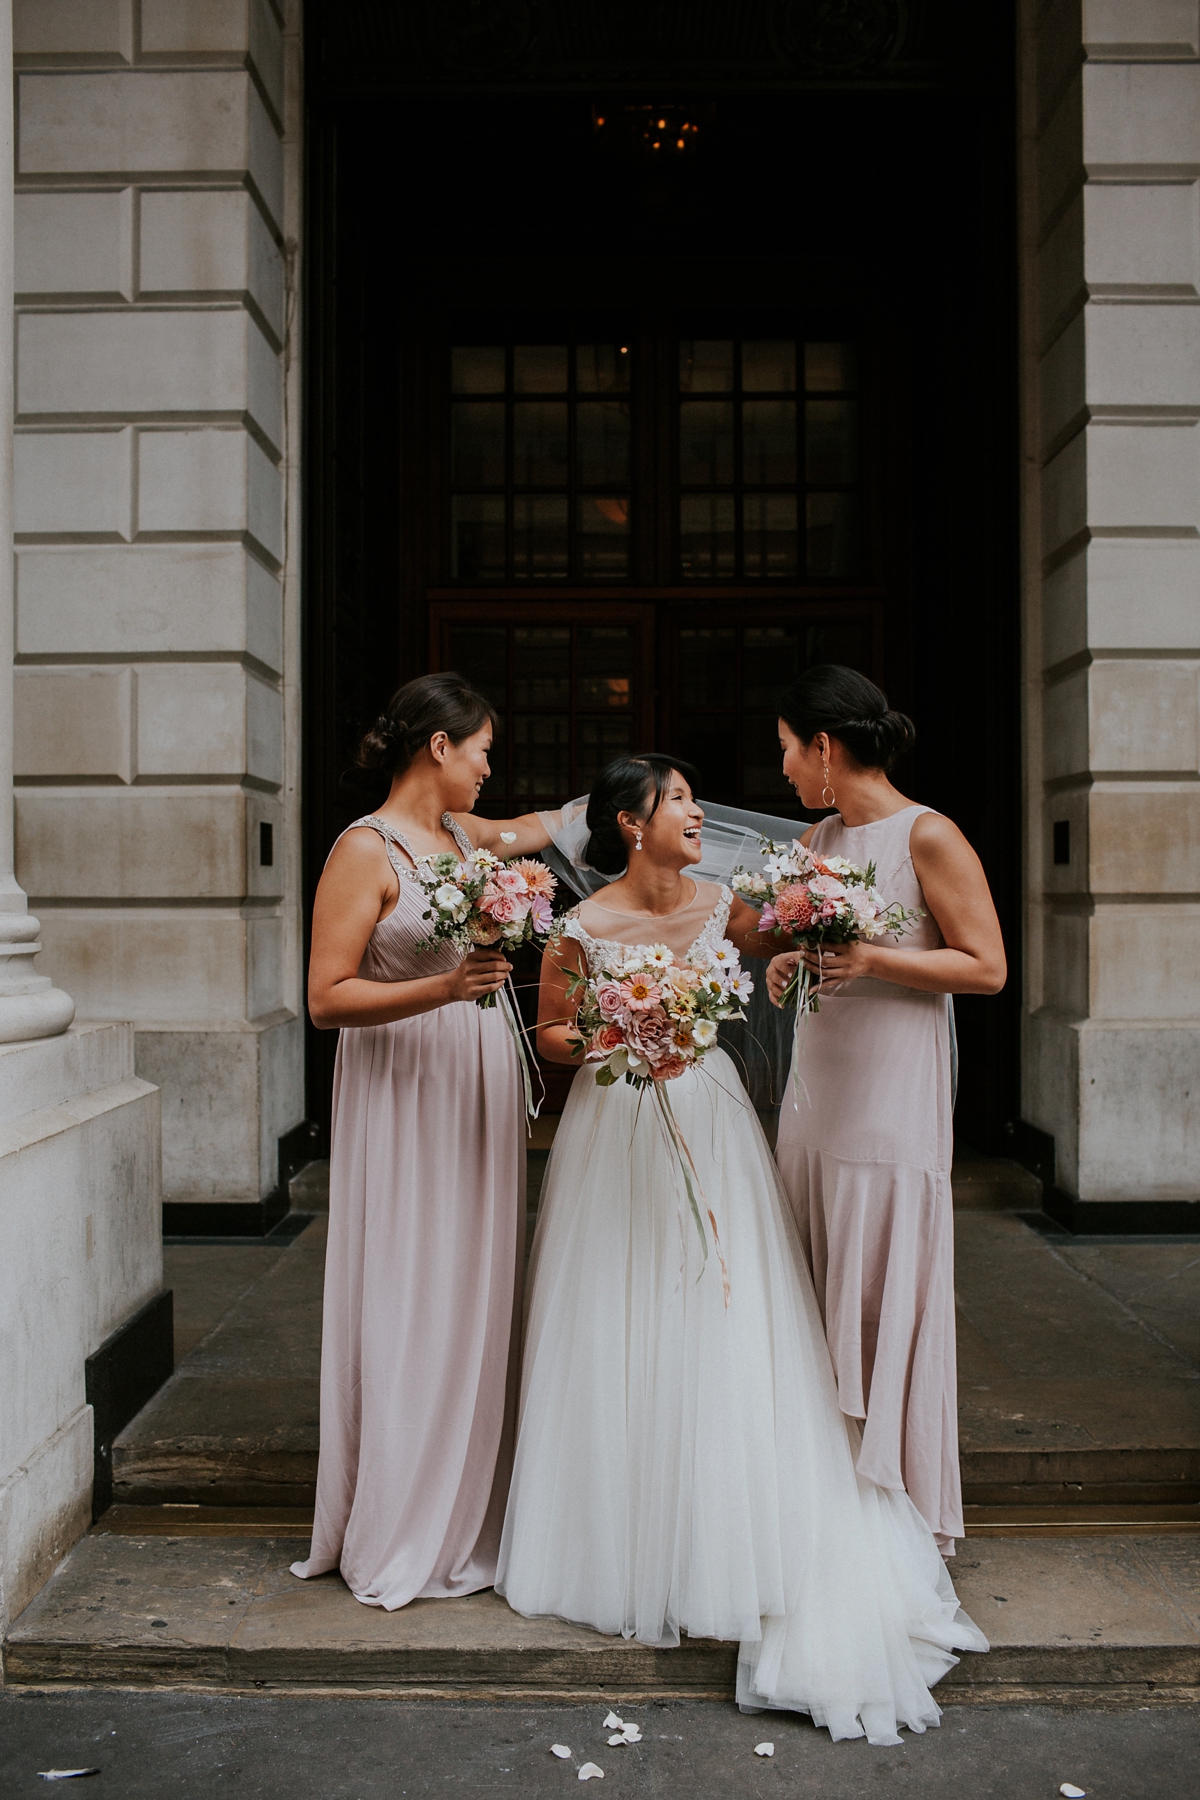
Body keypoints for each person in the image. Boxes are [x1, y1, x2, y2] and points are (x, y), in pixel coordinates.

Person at [496, 753, 987, 1746]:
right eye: (676, 799)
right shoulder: (581, 928)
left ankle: (734, 1519)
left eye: (689, 799)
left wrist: (818, 937)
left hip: (713, 1121)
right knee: (615, 1303)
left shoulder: (728, 902)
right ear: (630, 823)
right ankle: (623, 1531)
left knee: (726, 1307)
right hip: (615, 1125)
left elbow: (804, 942)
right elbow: (548, 1033)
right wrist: (607, 1026)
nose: (695, 812)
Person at [292, 672, 561, 1610]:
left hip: (475, 1082)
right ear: (437, 748)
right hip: (402, 1087)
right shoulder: (363, 852)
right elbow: (326, 998)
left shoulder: (462, 838)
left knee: (474, 1286)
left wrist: (627, 801)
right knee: (411, 1287)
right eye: (483, 750)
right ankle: (403, 1517)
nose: (491, 769)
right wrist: (445, 989)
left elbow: (537, 829)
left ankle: (463, 1504)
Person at [765, 666, 1006, 1555]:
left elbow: (985, 966)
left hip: (890, 1104)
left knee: (879, 1279)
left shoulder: (927, 836)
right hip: (818, 1092)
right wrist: (790, 964)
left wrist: (872, 959)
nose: (784, 767)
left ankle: (892, 1500)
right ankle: (820, 1492)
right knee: (807, 1272)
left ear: (824, 747)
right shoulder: (815, 839)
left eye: (789, 749)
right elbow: (816, 946)